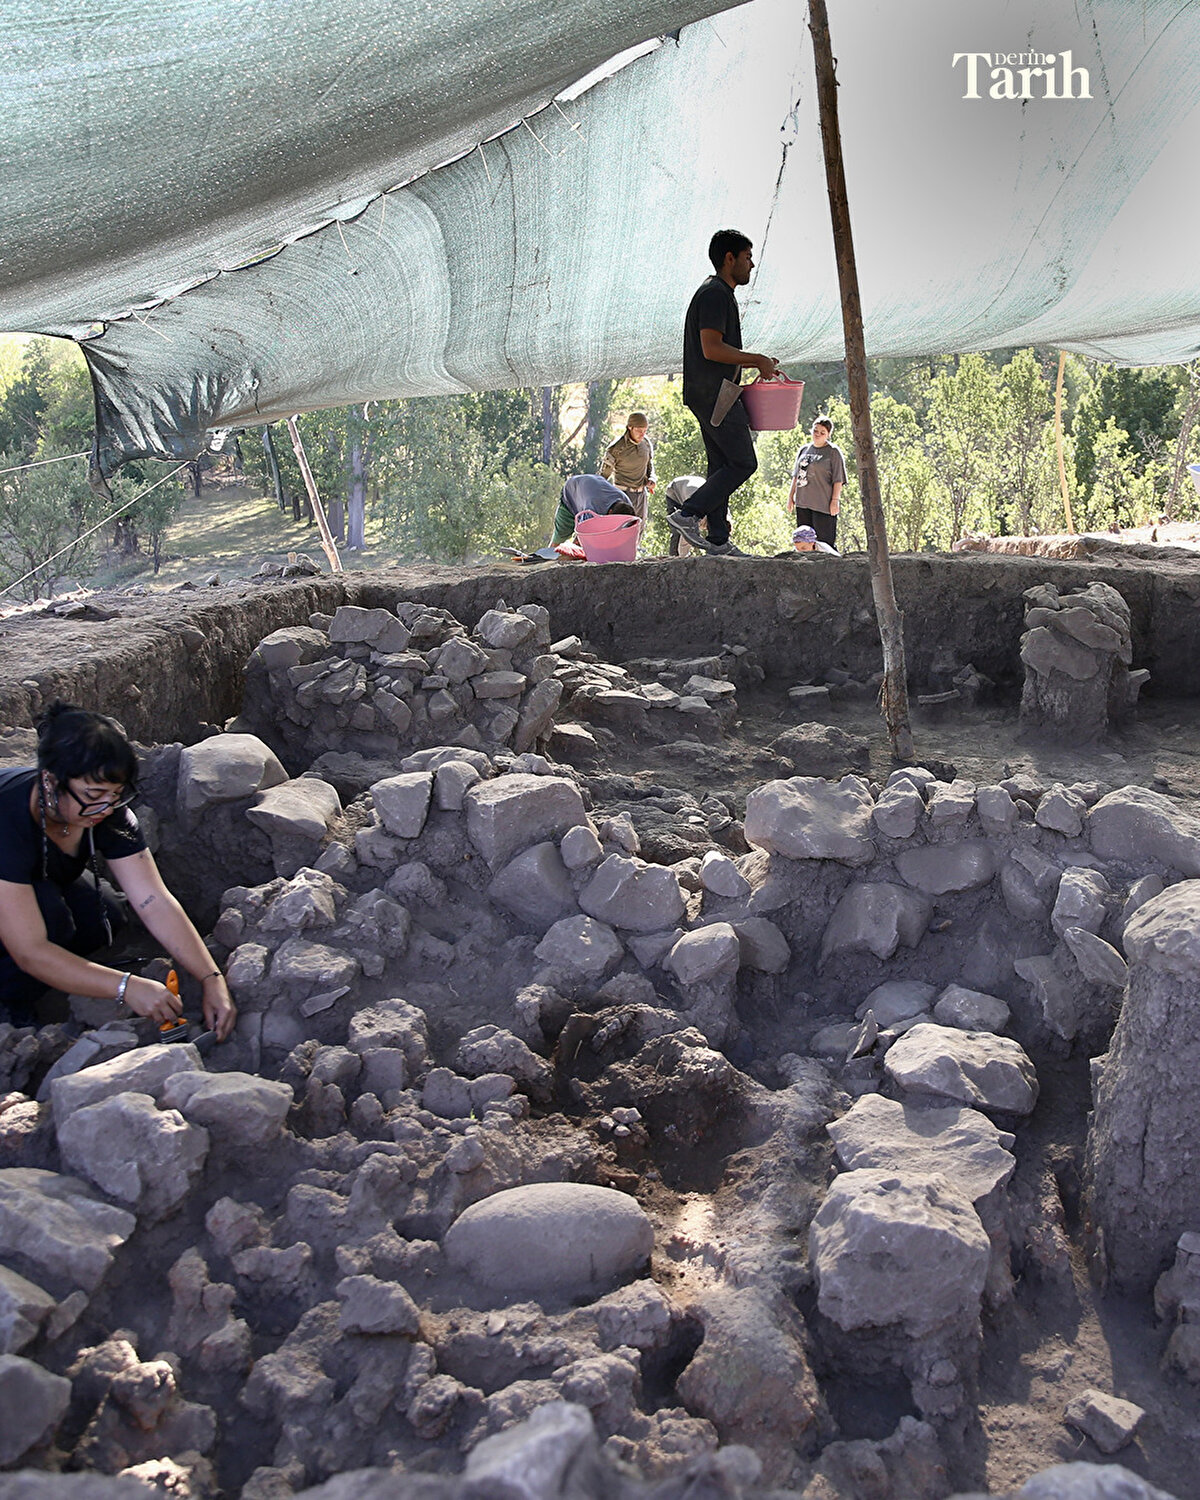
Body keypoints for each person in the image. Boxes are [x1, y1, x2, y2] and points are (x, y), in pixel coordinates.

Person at [0, 702, 237, 1038]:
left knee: (104, 916)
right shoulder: (8, 821)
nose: (105, 807)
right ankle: (9, 1008)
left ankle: (63, 973)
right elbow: (31, 951)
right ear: (51, 781)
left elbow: (154, 900)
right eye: (94, 794)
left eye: (115, 794)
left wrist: (211, 978)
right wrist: (127, 987)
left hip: (36, 872)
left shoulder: (107, 812)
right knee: (52, 924)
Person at [669, 229, 780, 557]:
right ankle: (689, 513)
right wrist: (756, 359)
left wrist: (754, 363)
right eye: (747, 257)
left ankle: (718, 540)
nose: (752, 264)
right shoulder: (715, 294)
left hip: (711, 392)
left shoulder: (718, 293)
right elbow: (711, 348)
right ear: (729, 258)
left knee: (721, 465)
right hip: (714, 394)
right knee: (744, 462)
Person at [788, 416, 846, 549]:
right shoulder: (804, 450)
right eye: (815, 431)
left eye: (822, 432)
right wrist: (790, 497)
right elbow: (796, 476)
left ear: (828, 434)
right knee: (803, 541)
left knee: (824, 543)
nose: (818, 434)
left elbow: (838, 479)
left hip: (823, 504)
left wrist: (835, 500)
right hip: (803, 502)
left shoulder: (833, 452)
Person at [550, 474, 637, 551]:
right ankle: (546, 558)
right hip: (571, 493)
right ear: (610, 512)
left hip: (592, 485)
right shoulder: (593, 509)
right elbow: (581, 540)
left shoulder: (626, 504)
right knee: (559, 539)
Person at [599, 413, 656, 527]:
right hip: (622, 495)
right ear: (630, 427)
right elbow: (603, 477)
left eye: (645, 431)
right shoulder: (616, 448)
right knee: (623, 529)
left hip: (641, 495)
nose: (642, 434)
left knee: (639, 529)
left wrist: (652, 479)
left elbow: (649, 464)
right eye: (639, 430)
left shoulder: (646, 443)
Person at [663, 475, 705, 556]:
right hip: (675, 492)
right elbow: (686, 533)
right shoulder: (696, 513)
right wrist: (683, 557)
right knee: (678, 530)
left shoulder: (720, 510)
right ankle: (674, 558)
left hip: (692, 489)